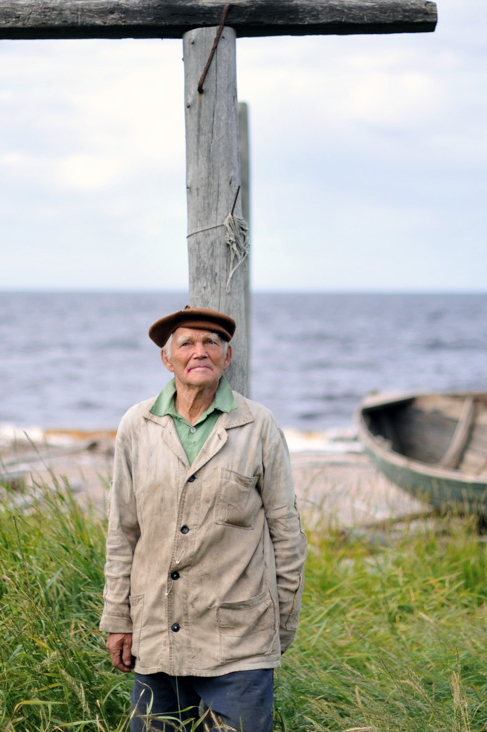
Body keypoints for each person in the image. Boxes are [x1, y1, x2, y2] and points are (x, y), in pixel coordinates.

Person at [100, 306, 308, 732]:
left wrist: (280, 625)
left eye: (212, 342)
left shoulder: (258, 426)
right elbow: (123, 530)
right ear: (167, 358)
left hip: (239, 640)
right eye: (187, 343)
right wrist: (118, 618)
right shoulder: (137, 425)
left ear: (227, 358)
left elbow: (287, 533)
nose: (200, 352)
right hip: (156, 634)